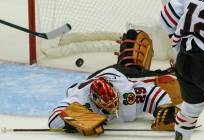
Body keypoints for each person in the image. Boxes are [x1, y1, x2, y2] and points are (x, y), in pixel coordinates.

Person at [48, 29, 182, 136]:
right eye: (108, 105)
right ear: (94, 100)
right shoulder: (80, 99)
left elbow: (154, 94)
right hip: (94, 79)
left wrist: (166, 109)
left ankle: (139, 56)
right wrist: (79, 119)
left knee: (173, 85)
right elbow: (54, 118)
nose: (113, 108)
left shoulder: (126, 92)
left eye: (114, 102)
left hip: (116, 74)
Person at [160, 0, 204, 139]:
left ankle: (181, 136)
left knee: (192, 106)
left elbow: (166, 15)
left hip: (185, 61)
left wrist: (178, 46)